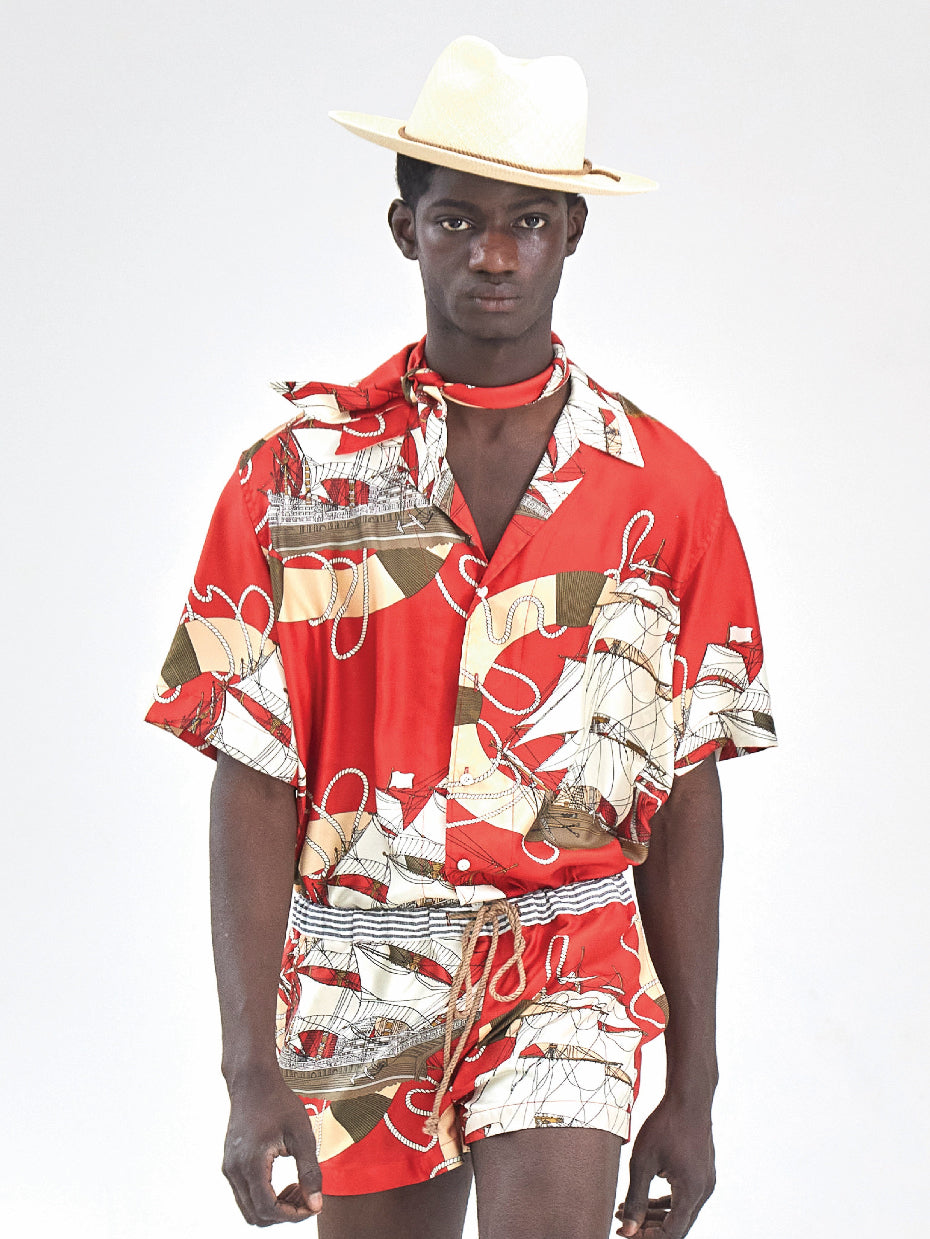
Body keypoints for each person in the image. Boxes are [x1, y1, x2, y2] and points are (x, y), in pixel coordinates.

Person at [146, 35, 776, 1239]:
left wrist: (692, 1089)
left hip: (567, 962)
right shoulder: (293, 481)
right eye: (457, 221)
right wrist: (247, 1071)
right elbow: (254, 774)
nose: (493, 254)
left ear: (572, 232)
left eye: (528, 222)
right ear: (406, 230)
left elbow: (686, 786)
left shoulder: (667, 493)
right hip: (360, 968)